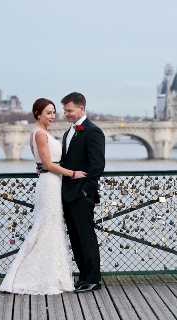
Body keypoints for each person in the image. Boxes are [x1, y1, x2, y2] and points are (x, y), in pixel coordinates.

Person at [0, 98, 86, 295]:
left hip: (52, 182)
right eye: (48, 112)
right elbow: (47, 164)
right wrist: (73, 173)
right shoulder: (39, 134)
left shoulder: (43, 133)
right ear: (37, 114)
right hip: (50, 183)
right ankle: (32, 277)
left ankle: (50, 275)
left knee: (51, 227)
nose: (53, 116)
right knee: (46, 227)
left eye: (54, 112)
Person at [59, 92, 105, 293]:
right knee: (75, 238)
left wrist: (86, 190)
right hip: (67, 194)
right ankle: (83, 276)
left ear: (82, 108)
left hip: (82, 195)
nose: (66, 114)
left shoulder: (93, 132)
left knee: (86, 237)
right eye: (65, 110)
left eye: (69, 110)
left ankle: (93, 279)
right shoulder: (69, 132)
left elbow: (97, 166)